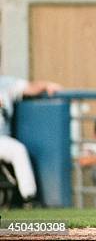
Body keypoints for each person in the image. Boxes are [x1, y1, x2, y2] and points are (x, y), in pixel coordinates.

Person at [0, 76, 61, 206]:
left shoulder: (5, 83)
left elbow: (29, 87)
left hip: (1, 139)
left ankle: (29, 198)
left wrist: (47, 84)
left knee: (18, 150)